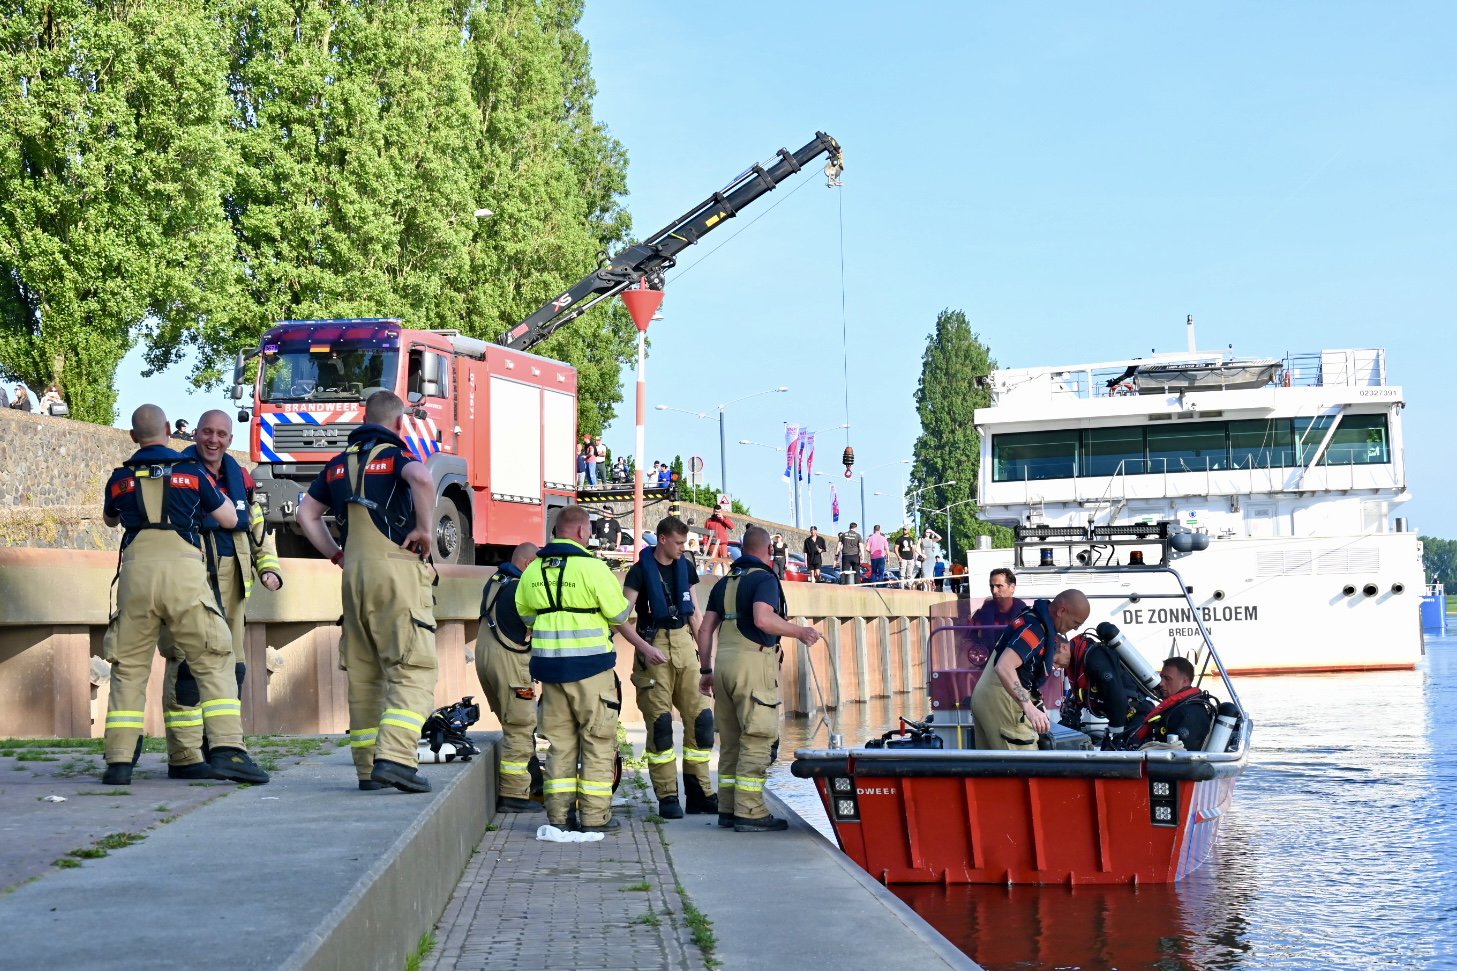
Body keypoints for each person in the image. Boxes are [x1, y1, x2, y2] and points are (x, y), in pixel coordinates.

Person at [98, 404, 267, 786]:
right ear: (168, 429)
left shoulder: (119, 478)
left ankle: (119, 761)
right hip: (185, 575)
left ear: (133, 436)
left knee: (129, 668)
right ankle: (227, 750)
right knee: (215, 658)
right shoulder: (192, 473)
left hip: (137, 576)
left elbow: (110, 519)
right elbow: (230, 518)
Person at [297, 391, 438, 793]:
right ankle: (395, 759)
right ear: (399, 423)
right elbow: (422, 478)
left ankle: (367, 768)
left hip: (354, 576)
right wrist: (424, 529)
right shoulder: (396, 456)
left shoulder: (337, 465)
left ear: (364, 420)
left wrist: (335, 553)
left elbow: (307, 513)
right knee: (412, 670)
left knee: (364, 676)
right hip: (395, 573)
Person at [516, 505, 663, 833]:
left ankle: (559, 817)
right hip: (590, 670)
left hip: (549, 671)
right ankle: (596, 818)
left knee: (560, 746)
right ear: (582, 531)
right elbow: (619, 615)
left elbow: (526, 616)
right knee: (597, 742)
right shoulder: (594, 568)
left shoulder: (532, 570)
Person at [159, 410, 284, 779]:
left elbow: (257, 528)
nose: (213, 440)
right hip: (190, 583)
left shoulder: (240, 478)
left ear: (230, 439)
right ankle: (186, 756)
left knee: (234, 669)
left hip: (232, 586)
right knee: (186, 667)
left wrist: (269, 568)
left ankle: (224, 748)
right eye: (207, 432)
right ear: (195, 433)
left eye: (221, 434)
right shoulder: (176, 474)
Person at [696, 525, 821, 832]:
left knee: (731, 743)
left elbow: (704, 629)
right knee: (757, 737)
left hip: (723, 665)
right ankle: (750, 811)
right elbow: (763, 619)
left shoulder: (724, 582)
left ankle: (728, 809)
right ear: (768, 550)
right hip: (753, 664)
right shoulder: (764, 579)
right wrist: (801, 632)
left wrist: (706, 670)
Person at [624, 517, 717, 819]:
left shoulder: (685, 567)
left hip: (684, 645)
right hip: (654, 647)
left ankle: (700, 793)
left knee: (701, 721)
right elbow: (620, 618)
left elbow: (696, 615)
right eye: (678, 543)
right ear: (662, 539)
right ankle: (667, 796)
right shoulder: (639, 572)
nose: (682, 548)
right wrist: (645, 648)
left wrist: (707, 664)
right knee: (661, 726)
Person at [970, 589, 1090, 750]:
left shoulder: (1030, 619)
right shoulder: (1035, 630)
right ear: (1062, 611)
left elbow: (1023, 670)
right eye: (1076, 623)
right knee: (1025, 763)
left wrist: (1036, 703)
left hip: (985, 698)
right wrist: (1028, 707)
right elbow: (1004, 666)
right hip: (1004, 702)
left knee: (992, 765)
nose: (1075, 629)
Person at [477, 543, 543, 813]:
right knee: (521, 724)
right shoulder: (521, 588)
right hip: (509, 664)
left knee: (513, 721)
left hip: (485, 658)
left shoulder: (496, 581)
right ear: (528, 564)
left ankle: (533, 780)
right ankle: (514, 795)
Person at [1064, 629, 1155, 747]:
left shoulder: (1094, 658)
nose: (1055, 666)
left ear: (1063, 648)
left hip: (1137, 718)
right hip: (1122, 719)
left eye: (1054, 660)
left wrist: (1115, 738)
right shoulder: (1077, 661)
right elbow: (1079, 696)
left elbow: (1116, 697)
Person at [1120, 657, 1215, 750]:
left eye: (1167, 679)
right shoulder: (1176, 708)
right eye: (1161, 677)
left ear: (1185, 681)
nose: (1161, 683)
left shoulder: (1189, 713)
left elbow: (1180, 754)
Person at [967, 568, 1028, 660]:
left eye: (999, 586)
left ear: (1012, 588)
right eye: (992, 586)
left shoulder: (1025, 616)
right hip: (987, 663)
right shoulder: (981, 615)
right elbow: (968, 642)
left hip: (1015, 663)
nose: (994, 591)